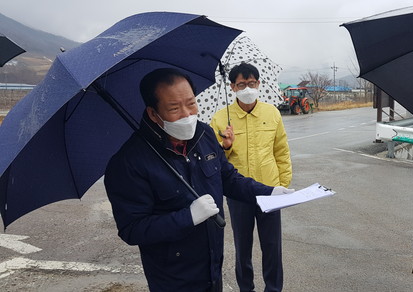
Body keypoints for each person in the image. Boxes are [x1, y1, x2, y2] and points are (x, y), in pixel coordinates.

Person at [104, 68, 293, 292]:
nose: (187, 114)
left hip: (212, 266)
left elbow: (229, 178)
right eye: (174, 108)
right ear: (153, 113)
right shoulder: (129, 162)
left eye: (191, 103)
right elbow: (132, 229)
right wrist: (187, 217)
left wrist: (268, 191)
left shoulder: (204, 134)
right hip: (173, 277)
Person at [210, 62, 292, 292]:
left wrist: (282, 185)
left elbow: (281, 151)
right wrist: (225, 145)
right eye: (242, 84)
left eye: (252, 83)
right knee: (242, 248)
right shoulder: (220, 119)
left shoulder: (272, 112)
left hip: (270, 191)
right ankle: (246, 288)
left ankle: (273, 289)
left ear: (259, 84)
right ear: (232, 87)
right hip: (239, 195)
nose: (248, 88)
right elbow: (213, 160)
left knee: (272, 247)